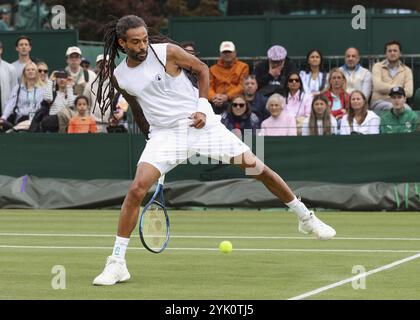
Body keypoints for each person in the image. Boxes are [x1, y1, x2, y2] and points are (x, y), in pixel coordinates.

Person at [91, 15, 335, 286]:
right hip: (165, 135)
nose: (143, 45)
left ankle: (305, 217)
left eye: (145, 39)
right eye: (136, 42)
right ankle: (117, 263)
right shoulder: (120, 76)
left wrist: (203, 107)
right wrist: (149, 133)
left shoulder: (167, 52)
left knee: (258, 169)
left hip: (202, 126)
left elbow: (202, 70)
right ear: (123, 43)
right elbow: (136, 105)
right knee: (137, 189)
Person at [371, 41, 413, 112]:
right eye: (389, 51)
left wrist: (387, 89)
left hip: (400, 102)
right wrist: (398, 88)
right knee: (391, 107)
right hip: (379, 102)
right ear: (386, 54)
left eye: (395, 51)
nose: (392, 53)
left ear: (400, 53)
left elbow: (409, 92)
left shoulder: (407, 70)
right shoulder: (377, 66)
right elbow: (377, 86)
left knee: (409, 110)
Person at [208, 41, 249, 114]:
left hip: (234, 101)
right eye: (224, 52)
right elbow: (209, 87)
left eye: (229, 52)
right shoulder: (212, 69)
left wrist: (227, 97)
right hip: (216, 102)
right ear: (220, 54)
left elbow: (242, 86)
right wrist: (214, 97)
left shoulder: (243, 67)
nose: (227, 54)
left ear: (235, 53)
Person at [0, 61, 44, 125]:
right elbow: (10, 104)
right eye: (28, 70)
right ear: (24, 73)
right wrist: (3, 117)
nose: (30, 71)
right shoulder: (18, 88)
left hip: (37, 119)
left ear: (36, 72)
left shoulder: (42, 89)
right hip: (21, 119)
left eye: (33, 69)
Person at [84, 54, 112, 133]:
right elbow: (86, 104)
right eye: (101, 66)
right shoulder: (90, 84)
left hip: (111, 125)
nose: (104, 69)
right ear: (97, 67)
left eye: (107, 66)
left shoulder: (116, 84)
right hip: (93, 124)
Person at [0, 40, 18, 117]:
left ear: (1, 50)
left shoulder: (10, 68)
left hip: (5, 114)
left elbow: (14, 93)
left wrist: (8, 112)